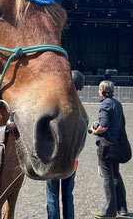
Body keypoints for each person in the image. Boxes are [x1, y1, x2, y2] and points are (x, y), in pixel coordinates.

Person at [45, 70, 84, 219]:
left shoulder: (56, 106)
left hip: (54, 158)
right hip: (72, 160)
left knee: (52, 195)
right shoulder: (81, 110)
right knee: (68, 196)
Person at [91, 80, 128, 218]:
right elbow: (116, 123)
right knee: (116, 175)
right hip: (116, 145)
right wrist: (99, 123)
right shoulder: (117, 104)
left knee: (108, 177)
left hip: (106, 146)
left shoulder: (105, 105)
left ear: (101, 91)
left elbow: (104, 127)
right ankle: (122, 208)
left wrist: (94, 130)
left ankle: (109, 211)